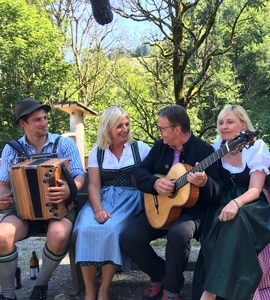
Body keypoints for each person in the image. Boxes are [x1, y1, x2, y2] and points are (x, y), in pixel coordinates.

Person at [119, 105, 223, 300]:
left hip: (192, 213)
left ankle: (172, 288)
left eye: (162, 128)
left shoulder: (205, 151)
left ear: (176, 129)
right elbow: (139, 173)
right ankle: (160, 276)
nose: (159, 133)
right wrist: (155, 183)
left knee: (178, 234)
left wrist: (205, 182)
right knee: (129, 238)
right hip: (160, 207)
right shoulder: (160, 147)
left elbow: (217, 191)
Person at [0, 98, 86, 300]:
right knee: (2, 235)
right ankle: (7, 294)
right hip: (23, 210)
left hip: (61, 206)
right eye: (37, 119)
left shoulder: (63, 143)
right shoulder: (11, 149)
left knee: (59, 235)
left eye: (45, 118)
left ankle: (41, 285)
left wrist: (69, 189)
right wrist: (3, 198)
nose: (44, 122)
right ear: (23, 123)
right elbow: (3, 185)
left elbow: (79, 175)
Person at [192, 105, 270, 300]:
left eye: (230, 122)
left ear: (243, 124)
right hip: (223, 198)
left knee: (234, 223)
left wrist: (236, 204)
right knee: (211, 230)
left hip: (252, 203)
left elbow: (255, 190)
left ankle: (210, 293)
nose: (224, 126)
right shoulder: (217, 146)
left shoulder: (257, 147)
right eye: (221, 122)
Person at [71, 106, 151, 300]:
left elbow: (152, 176)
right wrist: (98, 209)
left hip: (131, 199)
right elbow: (93, 187)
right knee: (85, 228)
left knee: (111, 228)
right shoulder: (97, 152)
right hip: (103, 198)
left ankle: (104, 289)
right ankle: (90, 291)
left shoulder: (140, 148)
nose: (125, 129)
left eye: (127, 124)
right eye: (119, 126)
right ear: (107, 128)